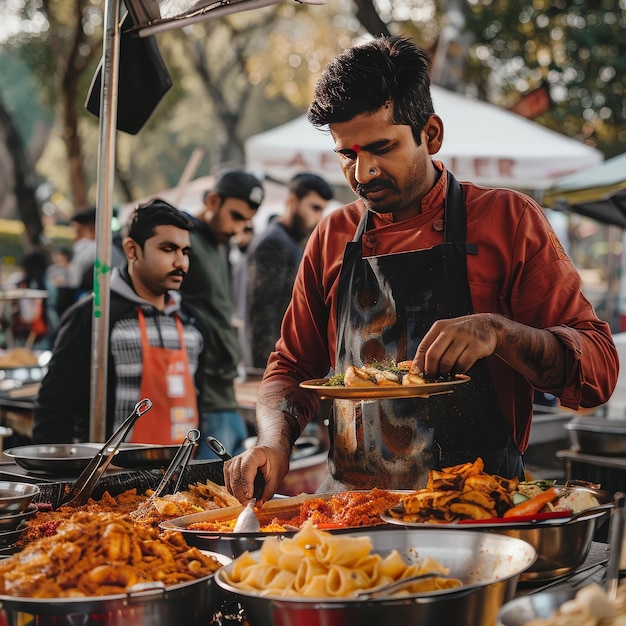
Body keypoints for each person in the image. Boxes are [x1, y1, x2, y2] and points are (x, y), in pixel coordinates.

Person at [223, 36, 619, 504]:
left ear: (430, 134)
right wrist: (272, 441)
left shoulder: (508, 220)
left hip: (478, 508)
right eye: (347, 154)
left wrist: (499, 332)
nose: (363, 172)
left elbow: (597, 372)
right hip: (354, 507)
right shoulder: (332, 235)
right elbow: (290, 368)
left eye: (381, 148)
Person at [33, 198, 206, 444]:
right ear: (132, 250)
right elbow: (54, 407)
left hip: (179, 476)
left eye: (185, 251)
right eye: (168, 249)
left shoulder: (191, 320)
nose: (181, 263)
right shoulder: (94, 316)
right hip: (111, 477)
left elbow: (200, 402)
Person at [181, 168, 265, 459]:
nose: (237, 229)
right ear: (214, 200)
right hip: (202, 387)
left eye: (246, 222)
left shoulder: (219, 244)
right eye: (236, 216)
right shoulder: (185, 240)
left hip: (224, 383)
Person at [243, 172, 334, 373]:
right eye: (314, 208)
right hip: (275, 363)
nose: (319, 217)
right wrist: (269, 370)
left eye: (322, 210)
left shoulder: (291, 241)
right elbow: (264, 314)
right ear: (293, 201)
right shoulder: (273, 242)